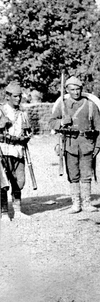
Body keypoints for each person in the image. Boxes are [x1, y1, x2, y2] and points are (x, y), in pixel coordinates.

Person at [49, 76, 100, 213]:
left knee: (86, 174)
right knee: (73, 174)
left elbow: (99, 126)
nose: (76, 92)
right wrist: (62, 122)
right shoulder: (63, 105)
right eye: (72, 89)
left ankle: (87, 203)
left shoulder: (90, 105)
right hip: (69, 144)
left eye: (78, 89)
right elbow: (51, 122)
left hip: (87, 144)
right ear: (67, 90)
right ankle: (76, 203)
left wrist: (99, 145)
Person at [0, 82, 33, 221]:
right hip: (3, 150)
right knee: (2, 183)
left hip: (18, 150)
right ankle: (4, 213)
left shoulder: (22, 113)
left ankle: (18, 211)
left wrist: (27, 136)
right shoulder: (1, 111)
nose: (18, 99)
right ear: (7, 96)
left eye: (19, 96)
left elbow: (28, 130)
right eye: (15, 96)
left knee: (19, 181)